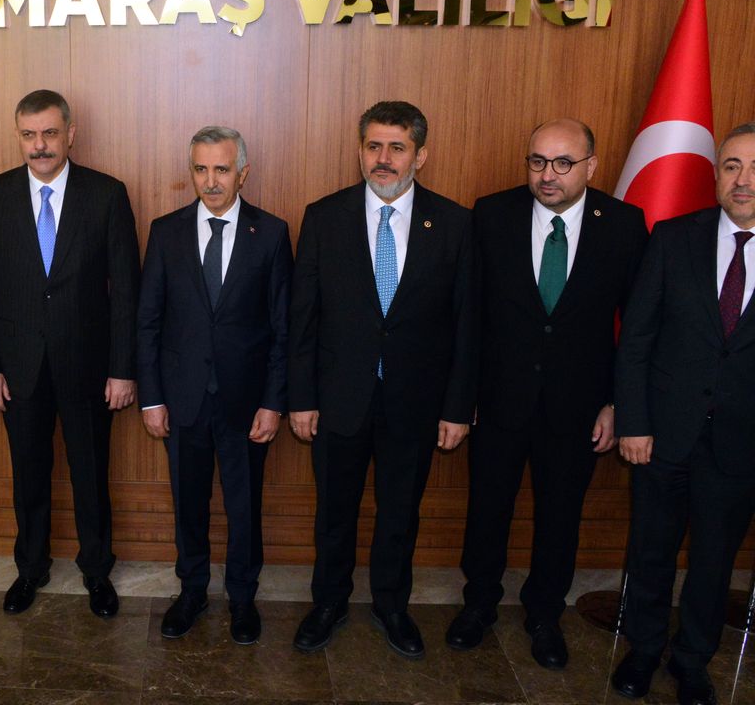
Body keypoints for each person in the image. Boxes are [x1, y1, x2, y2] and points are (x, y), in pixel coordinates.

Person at [447, 119, 646, 669]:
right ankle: (478, 604)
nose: (548, 175)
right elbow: (469, 315)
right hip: (499, 400)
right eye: (537, 161)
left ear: (591, 166)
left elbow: (637, 325)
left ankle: (544, 615)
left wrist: (617, 403)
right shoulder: (492, 214)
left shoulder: (623, 225)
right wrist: (463, 398)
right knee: (487, 508)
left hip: (579, 407)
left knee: (561, 515)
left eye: (563, 163)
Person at [288, 101, 476, 658]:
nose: (384, 158)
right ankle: (328, 604)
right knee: (334, 514)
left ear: (421, 155)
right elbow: (303, 319)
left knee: (399, 514)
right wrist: (301, 398)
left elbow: (467, 324)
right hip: (338, 398)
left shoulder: (454, 223)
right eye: (373, 146)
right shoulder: (324, 217)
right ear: (360, 151)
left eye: (397, 147)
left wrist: (457, 407)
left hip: (414, 402)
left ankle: (392, 606)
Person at [0, 89, 140, 618]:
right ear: (18, 136)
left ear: (70, 134)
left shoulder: (106, 194)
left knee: (91, 474)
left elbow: (126, 291)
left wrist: (122, 369)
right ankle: (30, 569)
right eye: (28, 135)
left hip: (88, 367)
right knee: (28, 474)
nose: (39, 145)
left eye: (48, 133)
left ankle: (97, 570)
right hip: (18, 368)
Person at [612, 122, 755, 705]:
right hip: (662, 436)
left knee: (714, 563)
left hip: (741, 444)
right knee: (650, 551)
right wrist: (634, 421)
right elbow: (636, 339)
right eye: (732, 166)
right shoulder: (673, 238)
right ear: (716, 174)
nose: (743, 180)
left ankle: (693, 661)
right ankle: (643, 650)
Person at [137, 126, 291, 645]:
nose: (210, 181)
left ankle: (243, 598)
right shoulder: (166, 232)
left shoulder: (271, 234)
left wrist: (273, 402)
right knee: (189, 502)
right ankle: (192, 591)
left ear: (242, 174)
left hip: (246, 403)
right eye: (200, 169)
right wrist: (152, 397)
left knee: (244, 506)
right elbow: (148, 322)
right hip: (182, 399)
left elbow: (282, 329)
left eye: (221, 169)